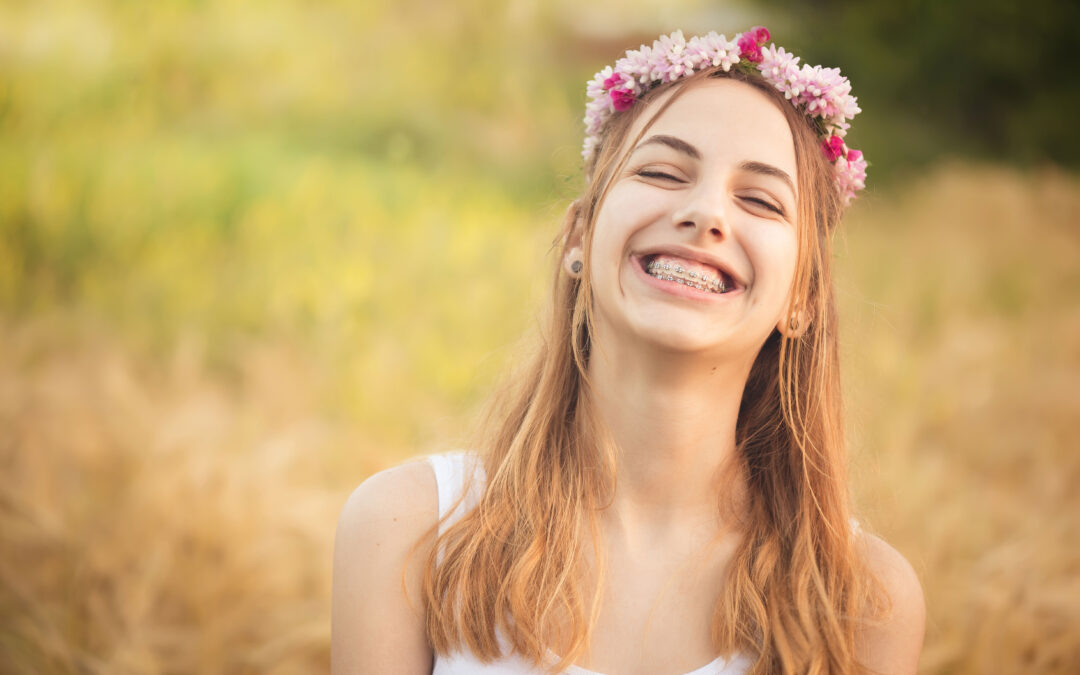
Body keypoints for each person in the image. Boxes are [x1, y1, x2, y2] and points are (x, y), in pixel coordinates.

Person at [332, 28, 924, 675]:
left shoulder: (860, 603)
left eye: (759, 198)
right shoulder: (407, 530)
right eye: (663, 171)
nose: (705, 213)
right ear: (579, 235)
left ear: (803, 294)